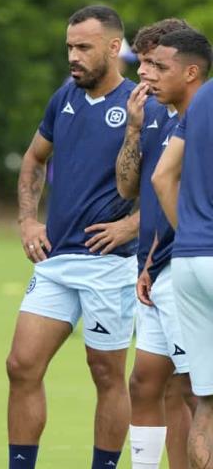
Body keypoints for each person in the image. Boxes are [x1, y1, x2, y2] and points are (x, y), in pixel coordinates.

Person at [7, 5, 139, 469]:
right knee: (21, 366)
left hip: (110, 264)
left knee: (106, 374)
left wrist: (133, 224)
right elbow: (33, 160)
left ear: (113, 47)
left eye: (83, 47)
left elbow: (176, 180)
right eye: (69, 47)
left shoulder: (142, 104)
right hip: (58, 261)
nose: (73, 57)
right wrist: (27, 221)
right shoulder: (63, 98)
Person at [115, 20, 202, 469]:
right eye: (143, 62)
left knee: (194, 390)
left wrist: (161, 255)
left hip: (180, 266)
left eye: (154, 63)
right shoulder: (151, 117)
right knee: (145, 382)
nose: (143, 72)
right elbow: (129, 189)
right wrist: (132, 130)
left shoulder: (198, 119)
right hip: (153, 268)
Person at [152, 30, 213, 469]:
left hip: (188, 261)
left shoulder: (203, 98)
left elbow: (161, 177)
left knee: (206, 403)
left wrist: (189, 232)